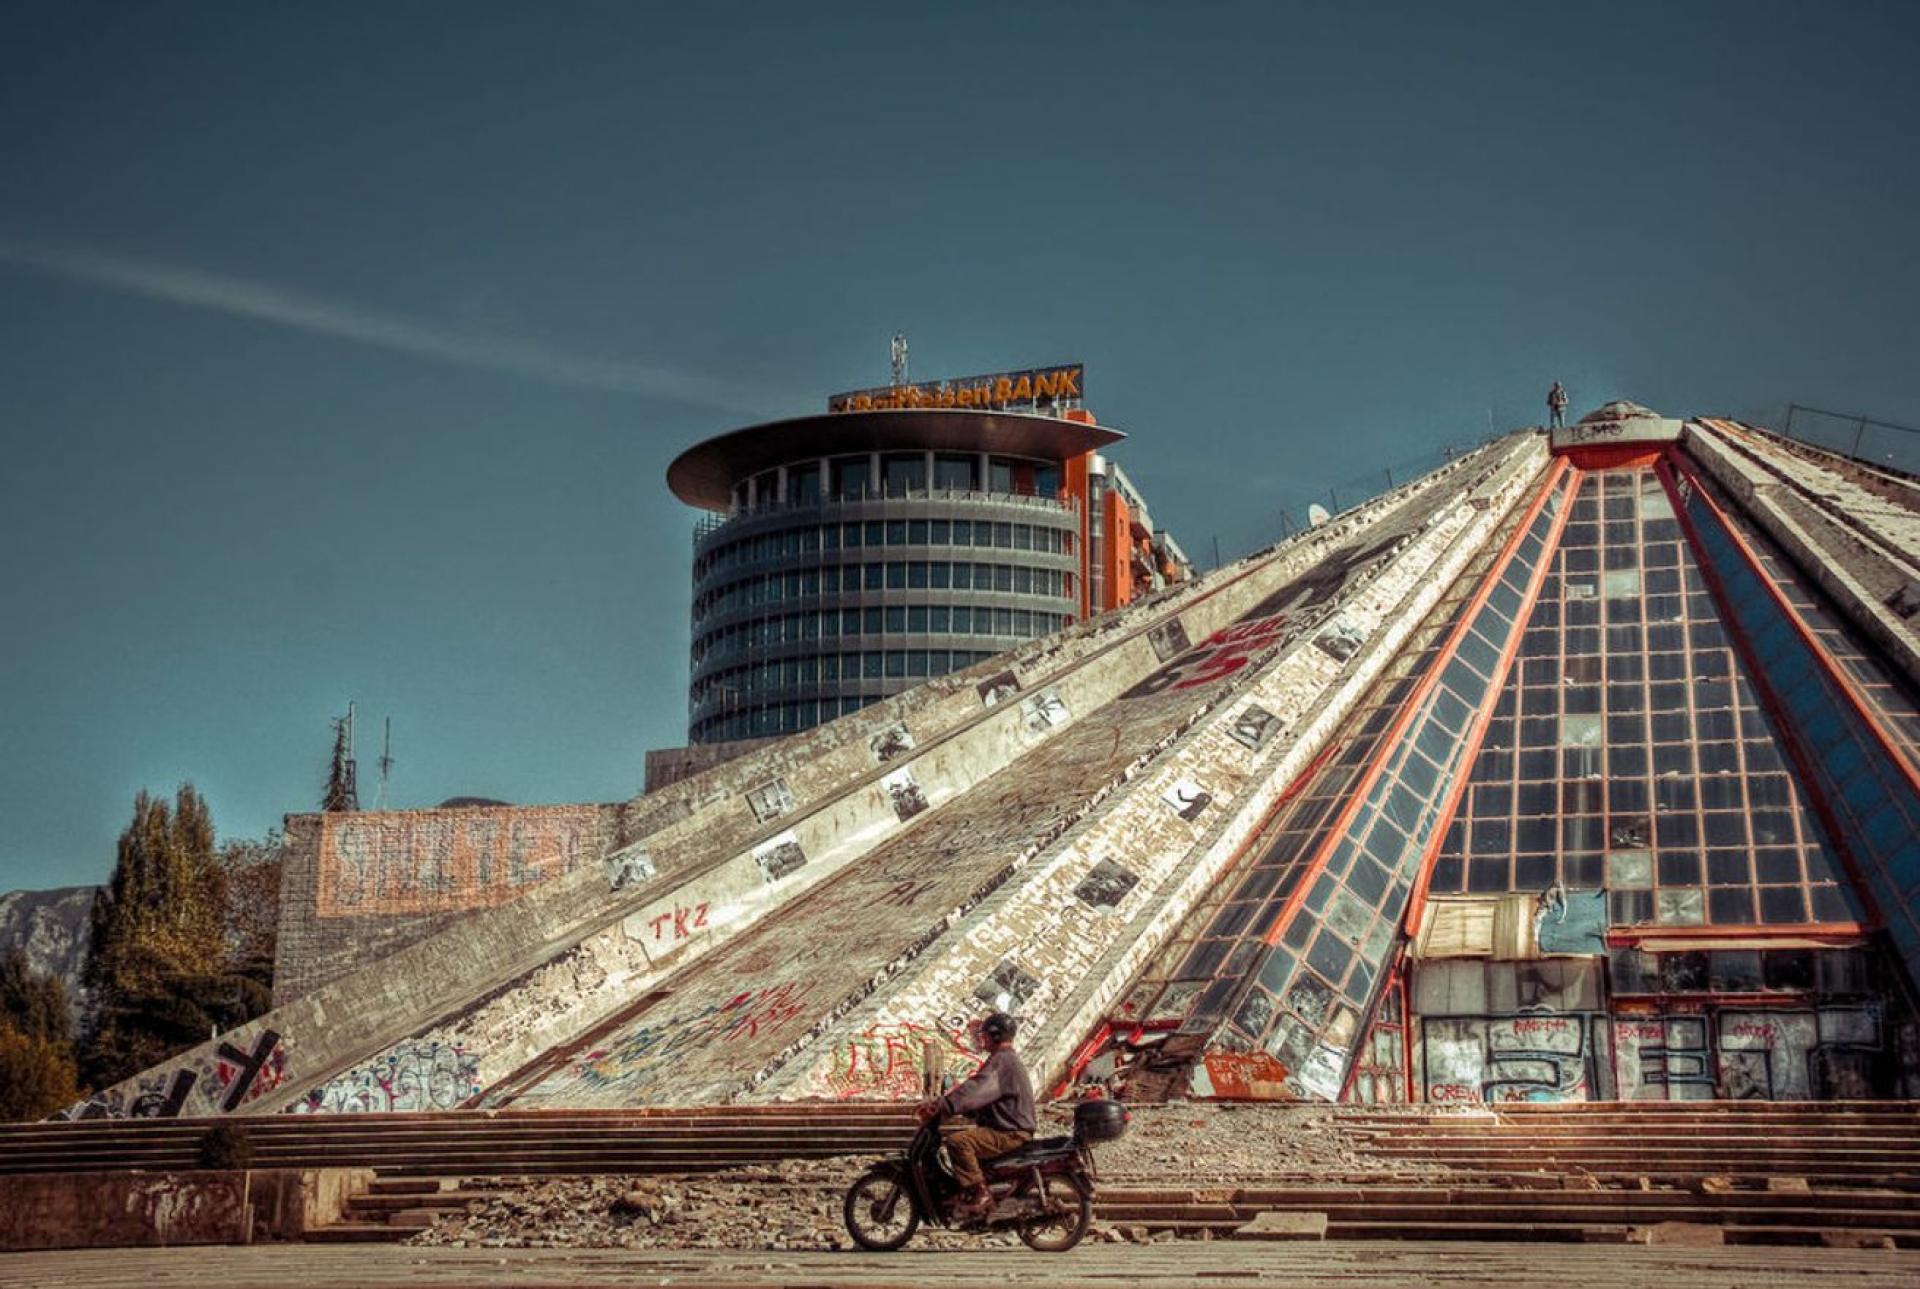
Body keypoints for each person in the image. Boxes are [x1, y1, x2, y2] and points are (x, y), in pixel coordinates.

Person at [917, 1011, 1034, 1218]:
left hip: (1008, 1133)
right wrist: (965, 1110)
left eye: (985, 1035)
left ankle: (979, 1193)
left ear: (994, 1036)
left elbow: (975, 1089)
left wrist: (945, 1105)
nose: (982, 1039)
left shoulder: (1001, 1061)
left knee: (958, 1142)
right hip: (1011, 1128)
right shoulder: (1007, 1060)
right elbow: (986, 1096)